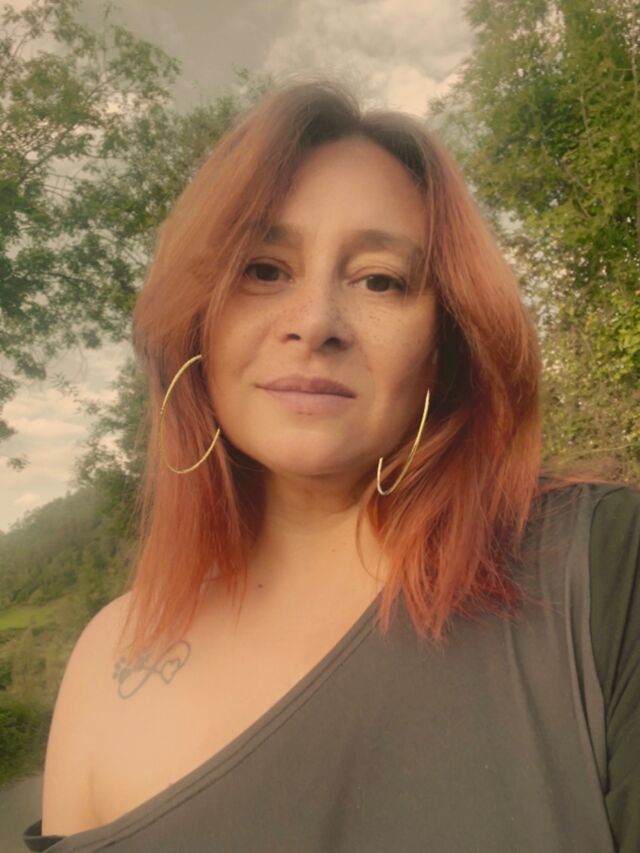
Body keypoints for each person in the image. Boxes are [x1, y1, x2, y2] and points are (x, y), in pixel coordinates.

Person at [23, 78, 639, 852]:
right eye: (263, 269)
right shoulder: (105, 659)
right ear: (196, 323)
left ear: (442, 346)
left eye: (380, 279)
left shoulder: (602, 569)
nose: (315, 323)